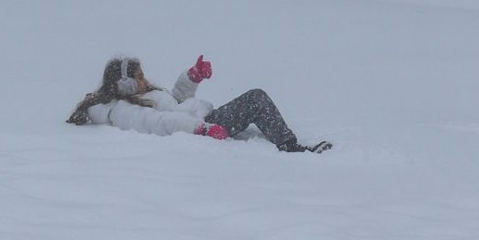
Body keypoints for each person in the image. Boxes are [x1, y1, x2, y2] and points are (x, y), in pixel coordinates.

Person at [66, 55, 332, 153]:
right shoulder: (122, 111)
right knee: (256, 98)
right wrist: (201, 129)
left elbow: (176, 103)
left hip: (203, 118)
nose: (145, 80)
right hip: (204, 124)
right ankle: (289, 145)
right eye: (139, 77)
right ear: (124, 84)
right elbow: (161, 123)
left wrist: (191, 77)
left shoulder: (142, 96)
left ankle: (285, 140)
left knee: (255, 99)